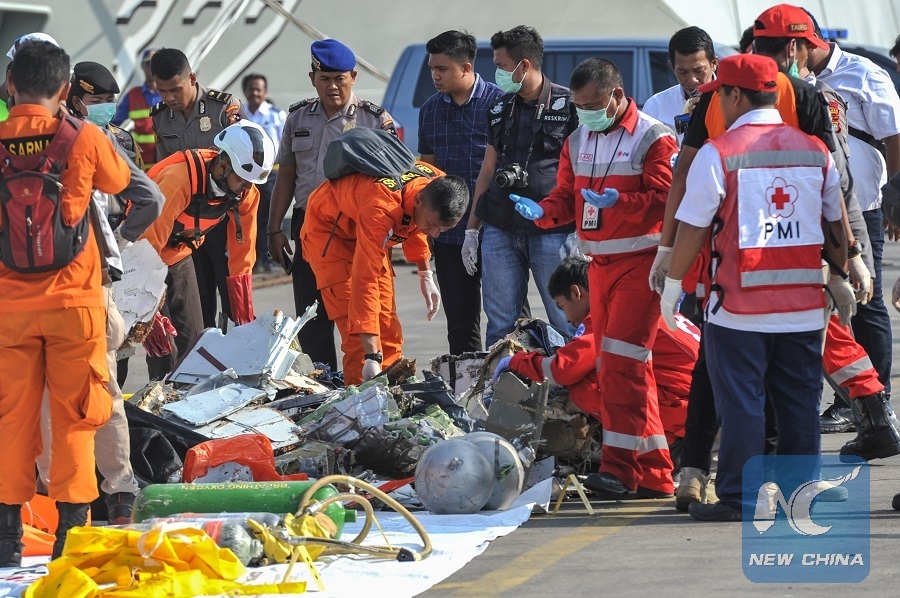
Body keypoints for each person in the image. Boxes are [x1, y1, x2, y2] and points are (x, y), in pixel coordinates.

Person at [649, 4, 860, 510]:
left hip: (739, 307)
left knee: (742, 402)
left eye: (720, 92)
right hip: (803, 306)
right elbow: (835, 221)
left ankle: (740, 498)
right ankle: (800, 495)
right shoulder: (814, 150)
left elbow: (694, 228)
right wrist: (843, 271)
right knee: (799, 404)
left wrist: (672, 285)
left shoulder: (720, 153)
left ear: (735, 95)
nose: (715, 99)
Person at [511, 57, 678, 499]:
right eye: (579, 105)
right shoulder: (577, 139)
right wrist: (542, 212)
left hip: (641, 264)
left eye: (592, 104)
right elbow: (566, 198)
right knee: (622, 368)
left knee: (622, 366)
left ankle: (621, 471)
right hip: (599, 265)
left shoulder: (653, 137)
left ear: (617, 95)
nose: (585, 112)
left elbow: (668, 200)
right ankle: (655, 473)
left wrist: (619, 202)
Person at [0, 40, 131, 564]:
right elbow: (120, 182)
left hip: (9, 308)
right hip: (75, 302)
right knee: (76, 415)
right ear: (63, 89)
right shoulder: (83, 136)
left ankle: (6, 538)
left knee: (12, 418)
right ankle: (70, 536)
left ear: (11, 86)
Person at [33, 62, 165, 525]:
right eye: (100, 100)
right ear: (71, 95)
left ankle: (54, 498)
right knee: (103, 387)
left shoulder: (18, 142)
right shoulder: (95, 140)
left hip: (32, 287)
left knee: (45, 395)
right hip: (91, 283)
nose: (107, 108)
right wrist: (117, 244)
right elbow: (151, 198)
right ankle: (120, 492)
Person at [268, 39, 397, 370]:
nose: (333, 86)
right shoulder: (297, 118)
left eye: (340, 78)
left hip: (355, 230)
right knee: (312, 313)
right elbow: (286, 175)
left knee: (360, 309)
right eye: (324, 79)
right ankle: (324, 380)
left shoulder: (374, 120)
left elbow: (393, 181)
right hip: (308, 227)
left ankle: (365, 376)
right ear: (312, 79)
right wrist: (273, 229)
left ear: (353, 77)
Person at [495, 256, 697, 453]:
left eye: (562, 307)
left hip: (686, 408)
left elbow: (562, 370)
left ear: (576, 292)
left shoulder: (607, 313)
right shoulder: (631, 299)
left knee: (585, 387)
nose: (566, 319)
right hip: (702, 399)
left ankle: (657, 449)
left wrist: (515, 361)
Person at [807, 8, 900, 424]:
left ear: (806, 43)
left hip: (864, 206)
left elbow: (895, 138)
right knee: (828, 300)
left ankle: (876, 399)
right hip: (816, 209)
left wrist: (895, 199)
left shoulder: (864, 74)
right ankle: (850, 400)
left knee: (867, 299)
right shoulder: (795, 82)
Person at [300, 160, 468, 385]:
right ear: (419, 200)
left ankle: (392, 395)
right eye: (432, 225)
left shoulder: (436, 185)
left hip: (370, 232)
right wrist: (371, 356)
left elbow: (414, 222)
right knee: (358, 340)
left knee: (388, 329)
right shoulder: (381, 207)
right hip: (332, 235)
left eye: (443, 229)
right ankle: (360, 399)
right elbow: (365, 279)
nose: (435, 234)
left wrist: (425, 272)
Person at [464, 25, 578, 348]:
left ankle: (576, 380)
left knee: (567, 318)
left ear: (524, 65)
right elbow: (488, 169)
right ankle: (501, 378)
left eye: (501, 66)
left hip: (553, 230)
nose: (497, 73)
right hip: (500, 226)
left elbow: (584, 168)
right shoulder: (499, 108)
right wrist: (472, 229)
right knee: (500, 324)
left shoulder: (569, 106)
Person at [139, 120, 274, 380]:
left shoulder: (245, 192)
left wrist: (243, 310)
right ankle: (159, 400)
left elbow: (242, 251)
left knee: (194, 344)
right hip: (141, 258)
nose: (247, 189)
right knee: (163, 349)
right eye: (243, 180)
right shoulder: (177, 181)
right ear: (223, 166)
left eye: (252, 183)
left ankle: (190, 402)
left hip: (179, 255)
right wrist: (147, 313)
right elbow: (145, 248)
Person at [418, 30, 505, 355]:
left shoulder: (500, 104)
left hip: (496, 231)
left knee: (507, 319)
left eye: (442, 69)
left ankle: (510, 381)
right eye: (432, 69)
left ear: (466, 68)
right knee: (460, 325)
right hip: (450, 235)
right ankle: (467, 382)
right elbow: (427, 170)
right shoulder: (430, 110)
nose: (435, 76)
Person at [150, 48, 243, 330]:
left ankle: (235, 349)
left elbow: (242, 164)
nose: (169, 98)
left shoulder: (223, 108)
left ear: (192, 78)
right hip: (185, 224)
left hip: (221, 218)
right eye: (162, 91)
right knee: (198, 300)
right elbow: (162, 169)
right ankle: (204, 351)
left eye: (175, 89)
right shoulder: (161, 117)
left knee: (231, 294)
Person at [641, 26, 718, 144]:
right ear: (672, 67)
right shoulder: (656, 107)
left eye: (698, 71)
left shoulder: (733, 102)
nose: (692, 80)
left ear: (713, 64)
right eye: (682, 72)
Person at [241, 73, 285, 273]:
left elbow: (285, 145)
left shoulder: (277, 115)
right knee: (249, 217)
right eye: (251, 89)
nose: (255, 93)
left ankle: (269, 257)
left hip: (271, 174)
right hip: (245, 175)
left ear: (265, 92)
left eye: (259, 89)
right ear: (245, 91)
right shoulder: (239, 114)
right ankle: (253, 259)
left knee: (269, 217)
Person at [113, 48, 161, 170]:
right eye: (148, 63)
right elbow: (114, 122)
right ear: (142, 66)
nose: (152, 67)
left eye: (156, 63)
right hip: (141, 162)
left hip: (166, 159)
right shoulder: (132, 95)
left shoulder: (169, 93)